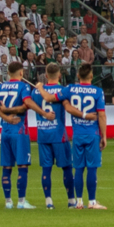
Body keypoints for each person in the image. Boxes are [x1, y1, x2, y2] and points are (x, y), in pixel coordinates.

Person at [0, 59, 39, 209]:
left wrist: (5, 115)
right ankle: (21, 201)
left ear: (8, 73)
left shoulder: (0, 87)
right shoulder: (23, 86)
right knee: (22, 166)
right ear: (21, 72)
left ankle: (8, 202)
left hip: (5, 130)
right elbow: (26, 105)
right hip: (19, 130)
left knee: (6, 167)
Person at [66, 61, 107, 209]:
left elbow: (53, 98)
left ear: (78, 75)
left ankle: (79, 202)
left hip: (77, 134)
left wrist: (40, 88)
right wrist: (104, 136)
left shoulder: (71, 89)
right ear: (91, 75)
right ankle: (92, 202)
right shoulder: (97, 91)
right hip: (92, 134)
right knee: (92, 168)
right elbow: (101, 115)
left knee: (78, 168)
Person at [35, 63, 76, 209]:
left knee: (46, 169)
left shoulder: (36, 92)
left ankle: (48, 201)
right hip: (59, 135)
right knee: (66, 168)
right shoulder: (63, 90)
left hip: (43, 134)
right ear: (59, 75)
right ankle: (71, 200)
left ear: (45, 76)